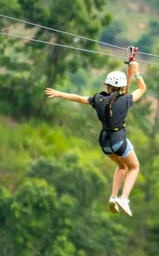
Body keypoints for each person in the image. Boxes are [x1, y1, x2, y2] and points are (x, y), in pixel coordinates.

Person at [44, 62, 146, 217]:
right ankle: (124, 198)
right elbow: (142, 89)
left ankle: (113, 197)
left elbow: (78, 98)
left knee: (122, 166)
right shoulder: (126, 100)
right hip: (118, 140)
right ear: (122, 88)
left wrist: (59, 93)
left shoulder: (98, 99)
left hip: (105, 143)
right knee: (134, 167)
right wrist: (137, 73)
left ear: (108, 87)